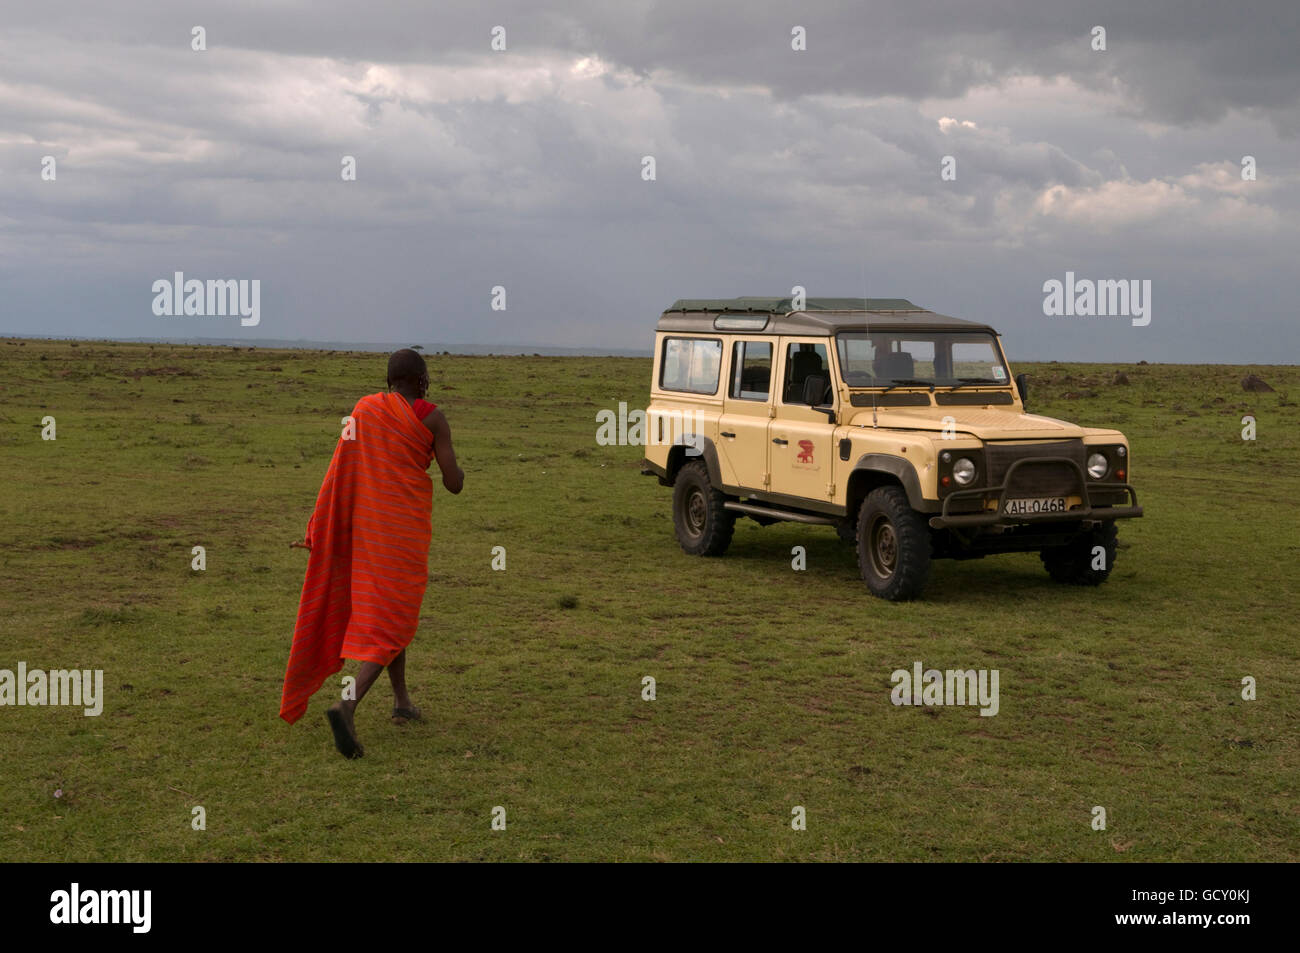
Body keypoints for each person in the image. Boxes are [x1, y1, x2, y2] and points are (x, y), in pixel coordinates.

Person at [279, 349, 464, 758]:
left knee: (390, 614)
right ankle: (347, 704)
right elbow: (454, 483)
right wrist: (457, 467)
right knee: (393, 620)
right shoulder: (432, 417)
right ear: (421, 379)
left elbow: (338, 472)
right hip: (403, 537)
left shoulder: (365, 409)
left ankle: (402, 703)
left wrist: (320, 526)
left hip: (367, 533)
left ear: (389, 380)